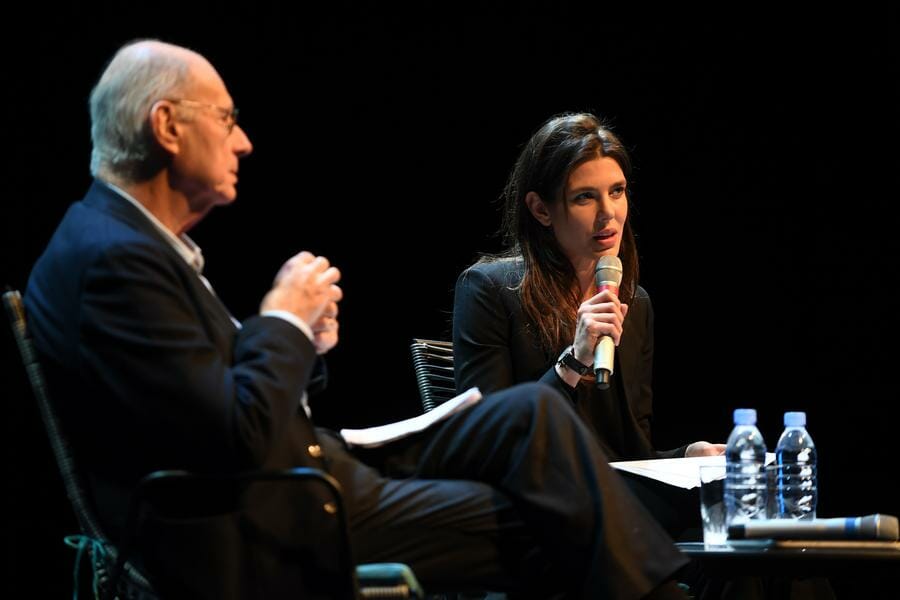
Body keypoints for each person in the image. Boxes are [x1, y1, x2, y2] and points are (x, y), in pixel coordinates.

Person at [24, 41, 693, 600]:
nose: (245, 141)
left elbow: (219, 404)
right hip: (281, 518)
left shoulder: (124, 245)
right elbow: (238, 440)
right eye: (227, 120)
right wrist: (282, 322)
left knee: (530, 416)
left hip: (316, 467)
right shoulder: (115, 262)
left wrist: (299, 347)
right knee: (561, 517)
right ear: (167, 126)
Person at [452, 113, 725, 538]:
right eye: (584, 198)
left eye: (617, 192)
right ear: (541, 209)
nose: (608, 214)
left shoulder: (635, 302)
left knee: (759, 537)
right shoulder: (489, 290)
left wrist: (687, 454)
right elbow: (490, 440)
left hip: (617, 499)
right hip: (537, 505)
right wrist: (573, 361)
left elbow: (629, 449)